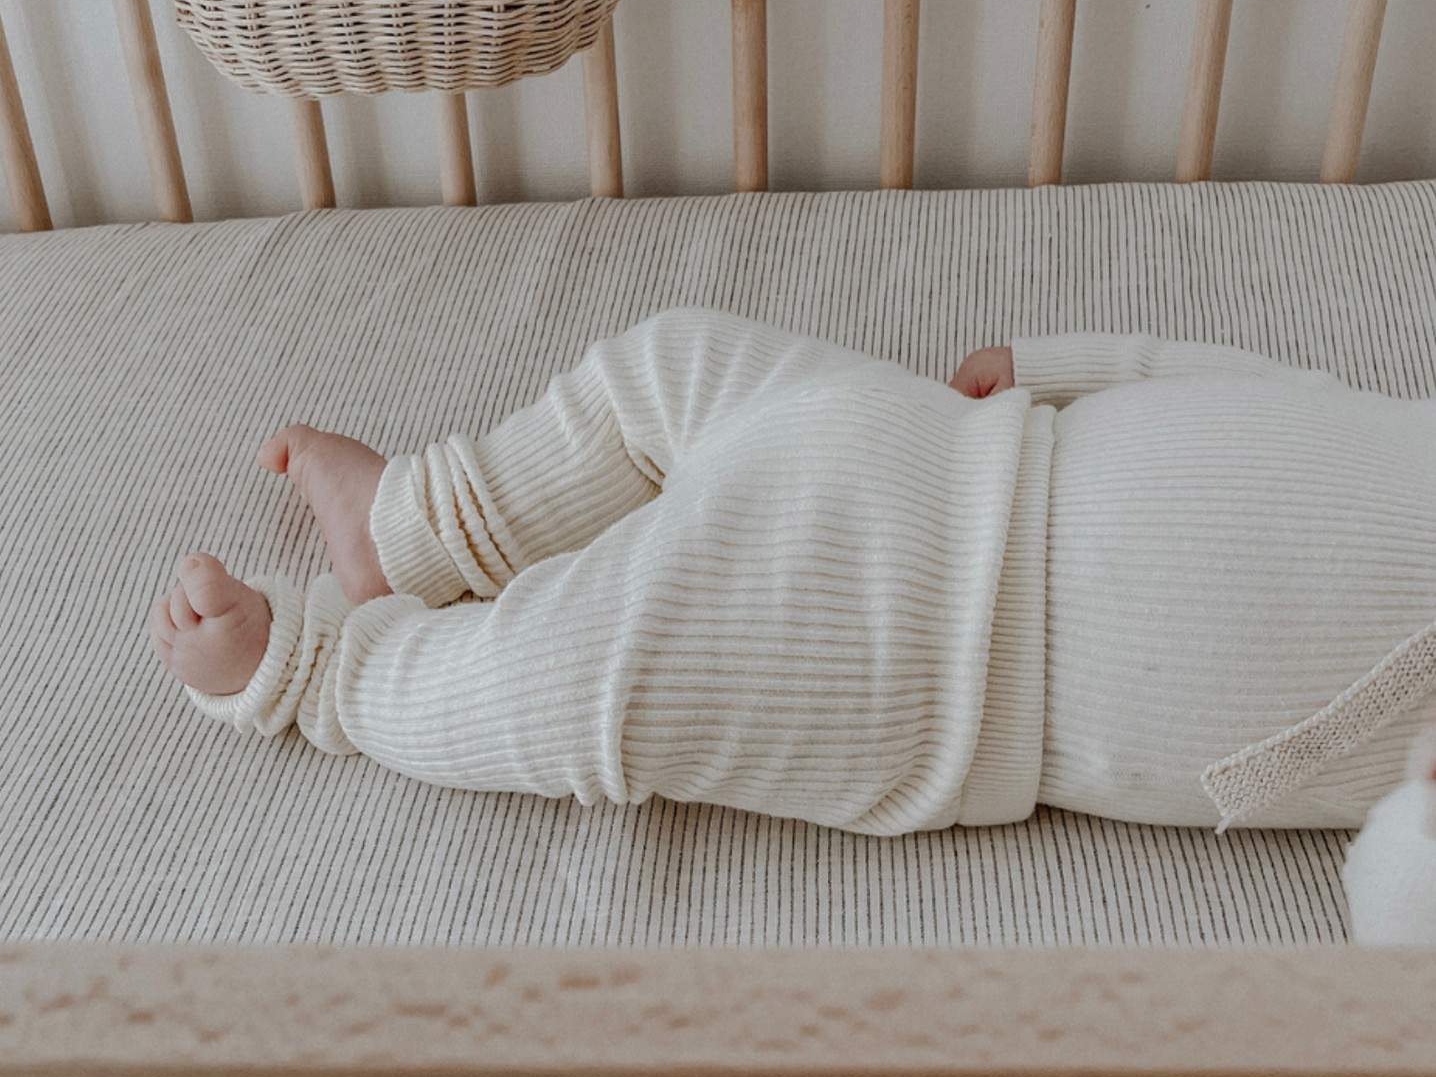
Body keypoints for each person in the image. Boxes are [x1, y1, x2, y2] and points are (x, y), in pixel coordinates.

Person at [149, 310, 1436, 832]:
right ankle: (424, 518)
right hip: (954, 443)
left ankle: (318, 671)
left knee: (587, 682)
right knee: (669, 361)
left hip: (926, 664)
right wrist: (1064, 366)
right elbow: (1277, 393)